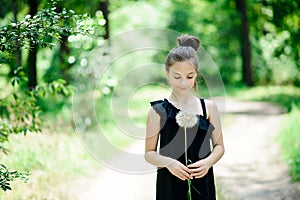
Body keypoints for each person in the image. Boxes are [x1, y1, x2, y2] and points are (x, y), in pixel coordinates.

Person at [145, 34, 224, 200]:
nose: (183, 83)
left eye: (189, 76)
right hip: (170, 185)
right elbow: (149, 153)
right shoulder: (157, 111)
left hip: (202, 183)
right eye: (176, 76)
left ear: (196, 74)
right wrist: (170, 163)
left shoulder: (208, 108)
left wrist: (208, 162)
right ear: (167, 73)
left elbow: (219, 147)